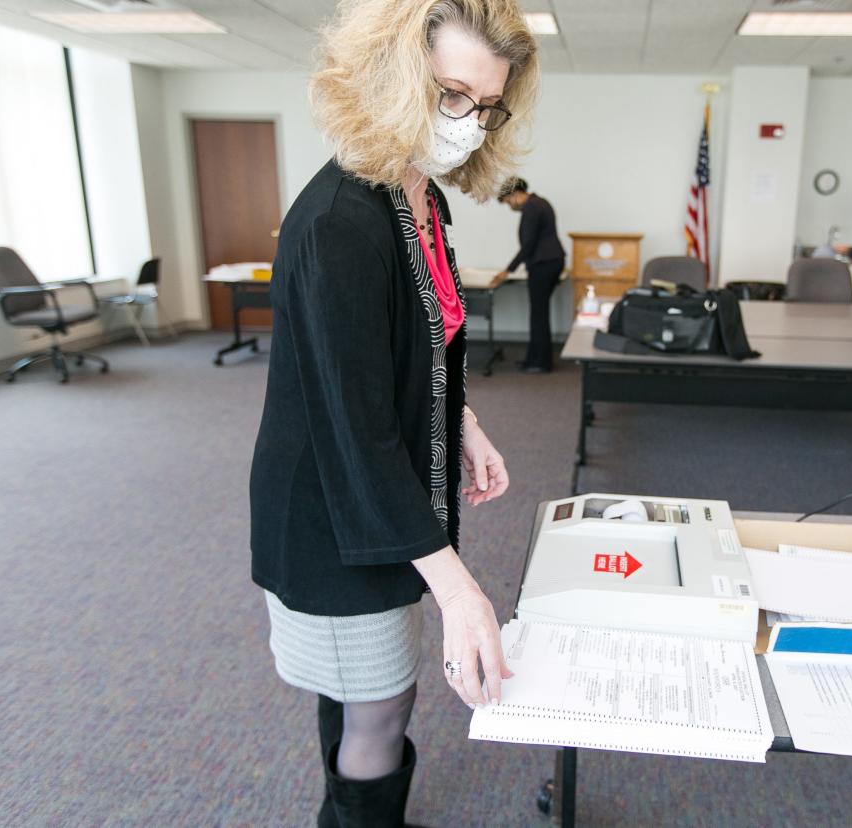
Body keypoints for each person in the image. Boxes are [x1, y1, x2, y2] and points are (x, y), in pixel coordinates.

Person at [248, 2, 538, 825]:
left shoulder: (422, 200)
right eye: (452, 94)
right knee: (379, 707)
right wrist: (460, 592)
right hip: (332, 507)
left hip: (383, 487)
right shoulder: (342, 222)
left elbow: (426, 342)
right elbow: (358, 432)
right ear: (390, 76)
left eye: (486, 106)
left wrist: (465, 421)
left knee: (361, 694)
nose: (469, 124)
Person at [497, 177, 565, 372]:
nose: (510, 206)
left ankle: (541, 362)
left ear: (515, 194)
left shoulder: (531, 208)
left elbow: (529, 245)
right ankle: (533, 358)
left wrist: (507, 270)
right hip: (552, 262)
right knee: (539, 312)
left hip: (543, 264)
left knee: (538, 314)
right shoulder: (540, 203)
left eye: (508, 201)